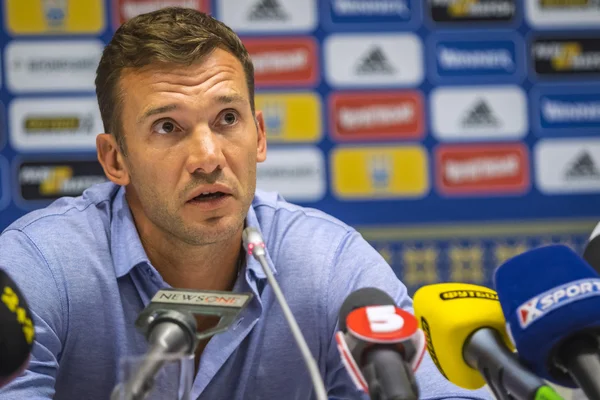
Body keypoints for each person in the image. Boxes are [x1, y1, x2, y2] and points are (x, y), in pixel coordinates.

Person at [0, 7, 491, 400]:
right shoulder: (42, 266)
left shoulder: (328, 264)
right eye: (167, 127)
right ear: (115, 160)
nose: (208, 157)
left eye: (227, 118)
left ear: (258, 136)